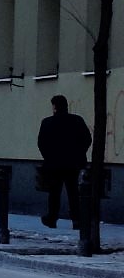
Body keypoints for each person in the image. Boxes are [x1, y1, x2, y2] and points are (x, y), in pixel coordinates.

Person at [37, 94, 91, 229]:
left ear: (54, 107)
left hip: (54, 164)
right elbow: (87, 139)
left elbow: (41, 143)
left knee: (54, 192)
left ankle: (52, 218)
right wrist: (79, 153)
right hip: (73, 163)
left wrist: (48, 157)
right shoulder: (77, 120)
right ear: (66, 106)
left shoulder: (47, 122)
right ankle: (76, 220)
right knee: (73, 192)